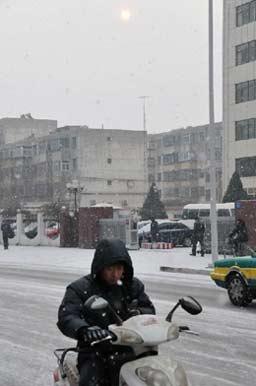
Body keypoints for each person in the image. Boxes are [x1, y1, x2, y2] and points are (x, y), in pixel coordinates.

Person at [57, 238, 155, 386]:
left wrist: (139, 312)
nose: (115, 274)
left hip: (133, 348)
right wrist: (85, 329)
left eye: (119, 268)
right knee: (91, 381)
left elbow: (149, 310)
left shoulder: (132, 286)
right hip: (96, 351)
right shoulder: (80, 288)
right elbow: (67, 316)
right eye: (110, 269)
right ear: (100, 267)